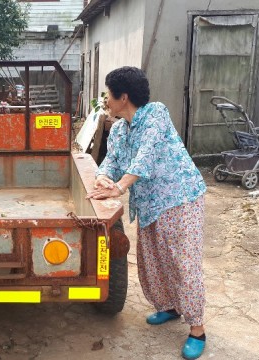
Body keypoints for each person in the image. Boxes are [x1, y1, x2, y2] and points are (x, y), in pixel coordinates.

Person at [86, 66, 208, 360]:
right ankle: (168, 307)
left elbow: (147, 155)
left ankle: (197, 330)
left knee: (182, 264)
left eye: (108, 94)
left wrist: (121, 187)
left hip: (180, 199)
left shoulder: (156, 114)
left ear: (123, 97)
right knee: (152, 261)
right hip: (150, 204)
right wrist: (103, 177)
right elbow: (111, 161)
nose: (105, 99)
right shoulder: (117, 129)